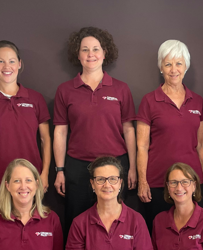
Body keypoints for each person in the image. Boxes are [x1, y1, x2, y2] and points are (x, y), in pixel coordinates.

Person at [52, 27, 138, 236]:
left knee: (115, 223)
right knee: (77, 222)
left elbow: (129, 130)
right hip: (78, 168)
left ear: (105, 53)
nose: (91, 54)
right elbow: (60, 133)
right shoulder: (65, 90)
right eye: (85, 49)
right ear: (78, 54)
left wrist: (133, 168)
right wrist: (60, 170)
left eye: (96, 49)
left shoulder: (121, 89)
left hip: (116, 166)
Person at [137, 39, 203, 230]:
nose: (173, 69)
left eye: (178, 63)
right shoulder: (149, 101)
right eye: (168, 63)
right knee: (159, 235)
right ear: (161, 67)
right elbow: (142, 146)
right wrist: (143, 181)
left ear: (185, 66)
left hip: (191, 183)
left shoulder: (197, 101)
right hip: (157, 182)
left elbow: (202, 145)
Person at [0, 40, 52, 209]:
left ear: (19, 64)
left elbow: (46, 140)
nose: (7, 66)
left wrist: (44, 174)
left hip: (30, 182)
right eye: (1, 61)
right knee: (1, 233)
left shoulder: (36, 99)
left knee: (29, 231)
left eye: (12, 61)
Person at [66, 156, 152, 250]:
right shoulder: (79, 223)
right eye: (100, 179)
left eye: (113, 179)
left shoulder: (136, 220)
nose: (107, 185)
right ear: (92, 184)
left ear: (120, 183)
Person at [0, 159, 63, 250]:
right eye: (17, 181)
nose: (23, 186)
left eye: (28, 180)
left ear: (36, 185)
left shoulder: (52, 219)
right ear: (7, 186)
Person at [151, 163, 203, 250]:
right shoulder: (159, 220)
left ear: (194, 186)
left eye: (185, 182)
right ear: (168, 187)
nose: (179, 188)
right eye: (173, 182)